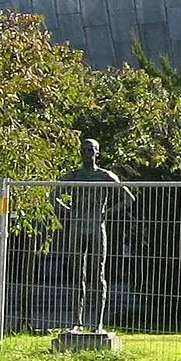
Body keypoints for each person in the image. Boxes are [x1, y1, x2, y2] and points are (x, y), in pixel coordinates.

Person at [53, 137, 135, 332]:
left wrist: (107, 213)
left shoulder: (106, 176)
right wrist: (68, 212)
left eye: (92, 150)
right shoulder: (73, 176)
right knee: (76, 275)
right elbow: (52, 195)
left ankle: (97, 324)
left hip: (97, 227)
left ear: (97, 152)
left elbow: (128, 198)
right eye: (85, 149)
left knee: (98, 274)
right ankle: (76, 322)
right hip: (77, 228)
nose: (88, 153)